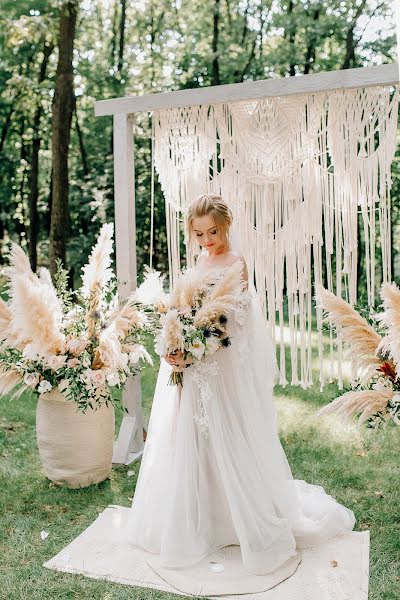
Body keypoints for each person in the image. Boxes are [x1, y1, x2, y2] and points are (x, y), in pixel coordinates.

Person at [125, 193, 355, 590]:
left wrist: (203, 342)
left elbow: (238, 316)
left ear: (226, 226)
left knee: (225, 432)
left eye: (213, 232)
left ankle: (237, 518)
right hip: (193, 366)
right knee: (190, 436)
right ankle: (196, 519)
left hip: (220, 364)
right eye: (199, 234)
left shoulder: (237, 263)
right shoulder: (199, 260)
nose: (206, 240)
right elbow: (185, 308)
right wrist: (178, 344)